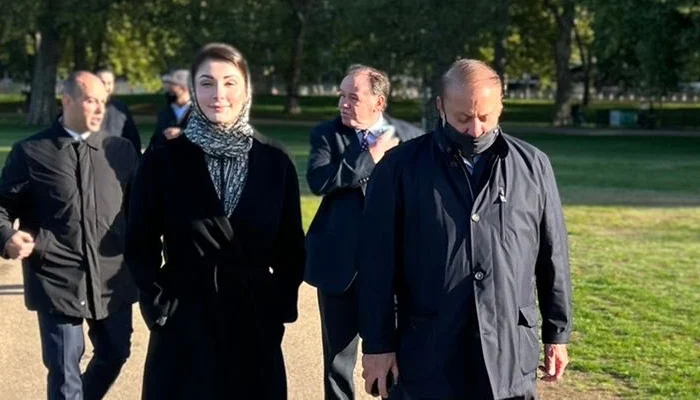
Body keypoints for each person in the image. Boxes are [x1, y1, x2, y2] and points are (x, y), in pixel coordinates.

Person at [357, 59, 573, 399]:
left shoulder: (533, 166)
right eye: (463, 118)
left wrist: (557, 334)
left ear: (501, 105)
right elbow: (375, 264)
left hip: (508, 351)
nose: (475, 129)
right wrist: (377, 345)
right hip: (426, 349)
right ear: (441, 106)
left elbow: (553, 255)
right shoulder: (399, 168)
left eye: (486, 117)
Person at [125, 42, 305, 400]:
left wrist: (277, 311)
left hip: (254, 323)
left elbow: (291, 248)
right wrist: (158, 306)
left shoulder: (274, 161)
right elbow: (138, 241)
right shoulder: (163, 160)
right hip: (183, 325)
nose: (218, 94)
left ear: (246, 88)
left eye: (229, 82)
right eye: (206, 83)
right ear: (193, 89)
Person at [0, 71, 139, 400]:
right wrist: (6, 236)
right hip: (56, 277)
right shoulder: (30, 152)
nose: (99, 110)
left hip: (112, 279)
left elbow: (146, 209)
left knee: (116, 352)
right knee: (65, 371)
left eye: (103, 102)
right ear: (67, 101)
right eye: (91, 101)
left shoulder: (121, 151)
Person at [305, 64, 424, 400]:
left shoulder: (412, 138)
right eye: (341, 96)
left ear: (379, 102)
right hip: (340, 268)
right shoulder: (326, 135)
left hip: (396, 270)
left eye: (353, 97)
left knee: (397, 360)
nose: (343, 103)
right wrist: (368, 157)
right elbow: (319, 181)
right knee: (337, 364)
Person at [96, 67, 142, 152]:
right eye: (102, 82)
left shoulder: (120, 108)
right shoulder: (83, 107)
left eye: (109, 83)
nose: (106, 87)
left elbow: (133, 139)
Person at [147, 69, 192, 150]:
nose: (168, 92)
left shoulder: (199, 112)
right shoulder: (164, 113)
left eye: (172, 89)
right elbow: (155, 141)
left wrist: (182, 133)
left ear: (184, 88)